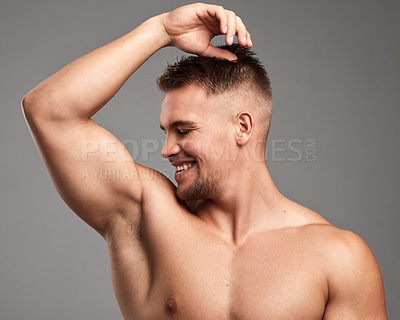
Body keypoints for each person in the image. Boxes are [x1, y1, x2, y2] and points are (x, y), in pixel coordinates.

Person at [21, 3, 387, 319]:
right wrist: (161, 29)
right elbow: (49, 111)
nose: (166, 149)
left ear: (242, 127)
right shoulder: (146, 214)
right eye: (165, 131)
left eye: (183, 130)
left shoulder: (338, 258)